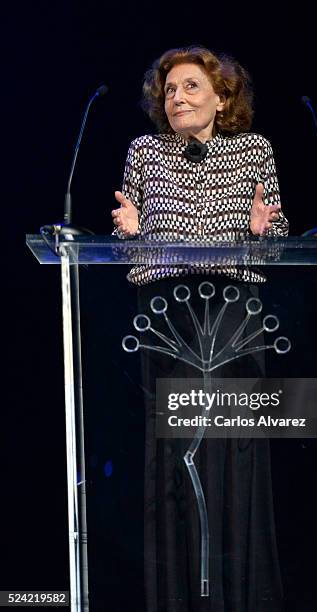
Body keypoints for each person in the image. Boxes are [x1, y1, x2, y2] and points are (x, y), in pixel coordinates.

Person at [111, 47, 288, 612]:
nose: (177, 98)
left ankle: (240, 597)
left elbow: (276, 236)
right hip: (167, 315)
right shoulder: (145, 151)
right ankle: (178, 596)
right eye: (169, 91)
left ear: (222, 97)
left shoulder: (253, 151)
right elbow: (125, 246)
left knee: (232, 449)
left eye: (190, 87)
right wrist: (130, 230)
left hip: (234, 312)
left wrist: (267, 226)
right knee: (176, 451)